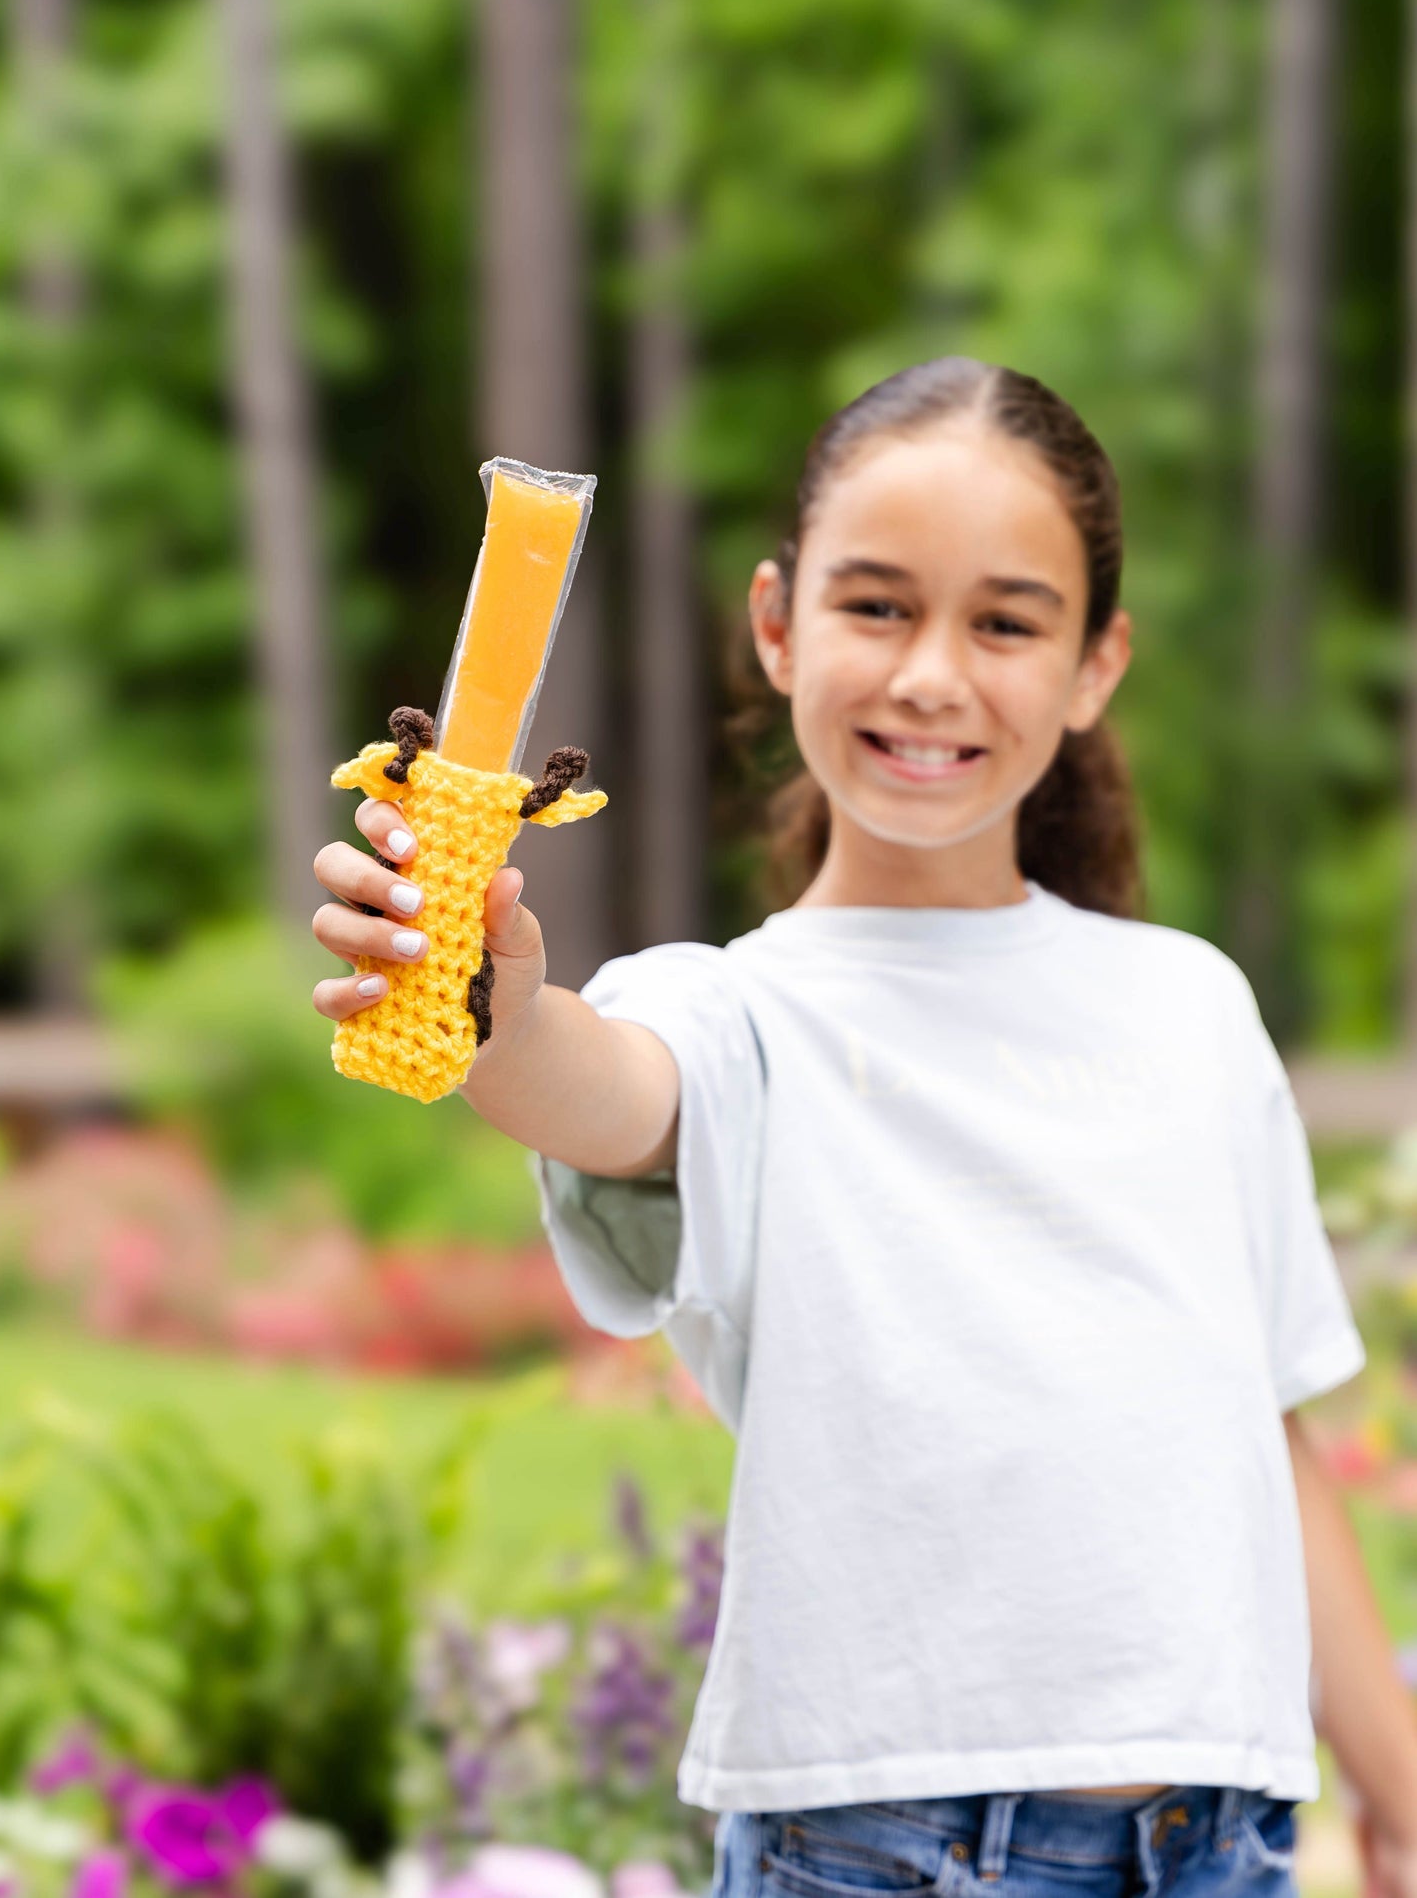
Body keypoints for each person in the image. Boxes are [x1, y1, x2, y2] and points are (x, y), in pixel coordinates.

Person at [310, 359, 1417, 1897]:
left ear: (1096, 664)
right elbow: (598, 1084)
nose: (929, 675)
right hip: (887, 1852)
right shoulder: (741, 1015)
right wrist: (483, 1000)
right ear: (776, 624)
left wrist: (1402, 1797)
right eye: (877, 606)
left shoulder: (1191, 1010)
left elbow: (1267, 1438)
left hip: (1217, 1840)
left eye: (1006, 621)